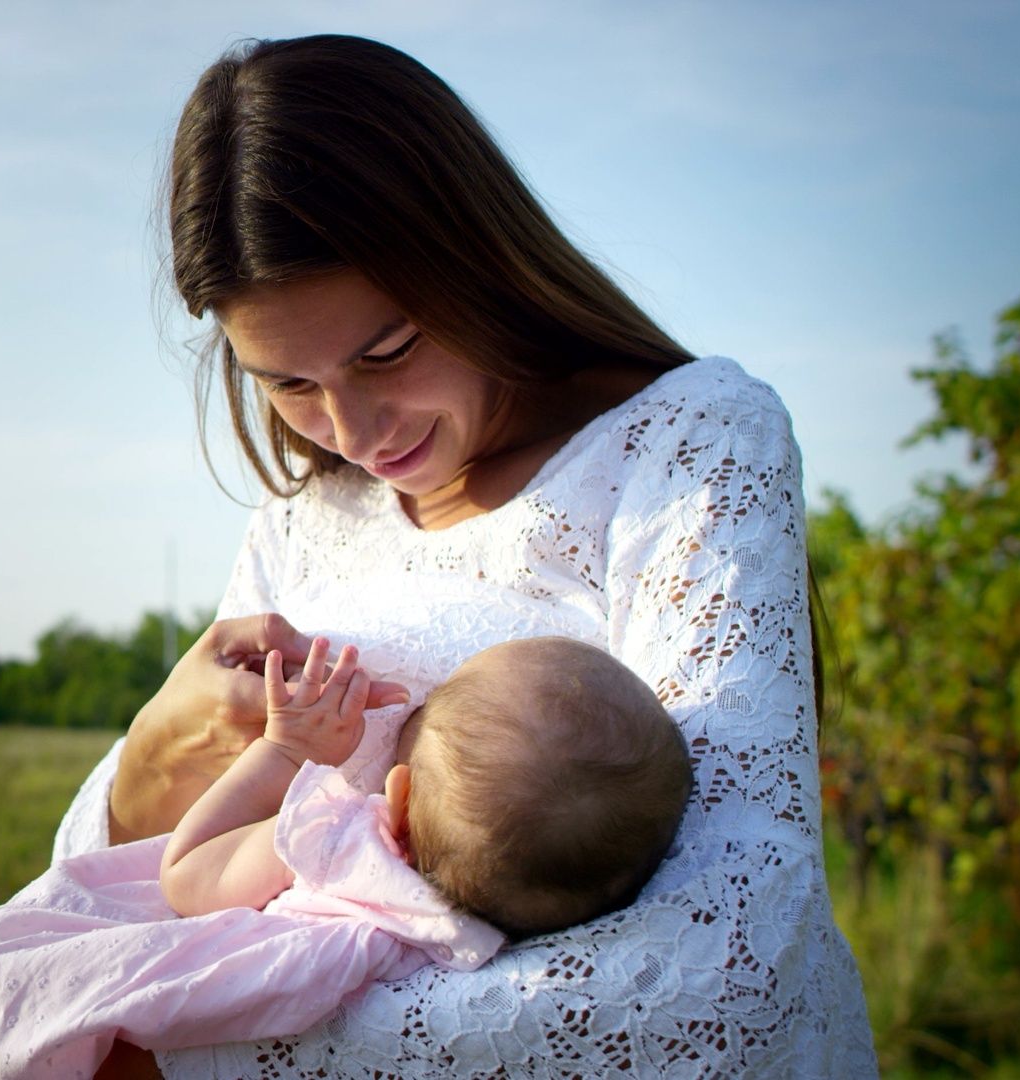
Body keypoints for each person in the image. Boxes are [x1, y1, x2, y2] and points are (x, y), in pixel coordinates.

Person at [46, 33, 876, 1078]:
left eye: (385, 351)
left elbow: (733, 953)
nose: (350, 431)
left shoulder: (685, 447)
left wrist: (157, 1059)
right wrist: (153, 751)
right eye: (288, 384)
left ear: (473, 256)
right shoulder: (307, 520)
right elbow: (98, 884)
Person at [0, 634, 694, 1080]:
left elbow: (190, 871)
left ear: (394, 804)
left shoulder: (345, 854)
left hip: (60, 1024)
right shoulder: (470, 945)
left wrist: (285, 752)